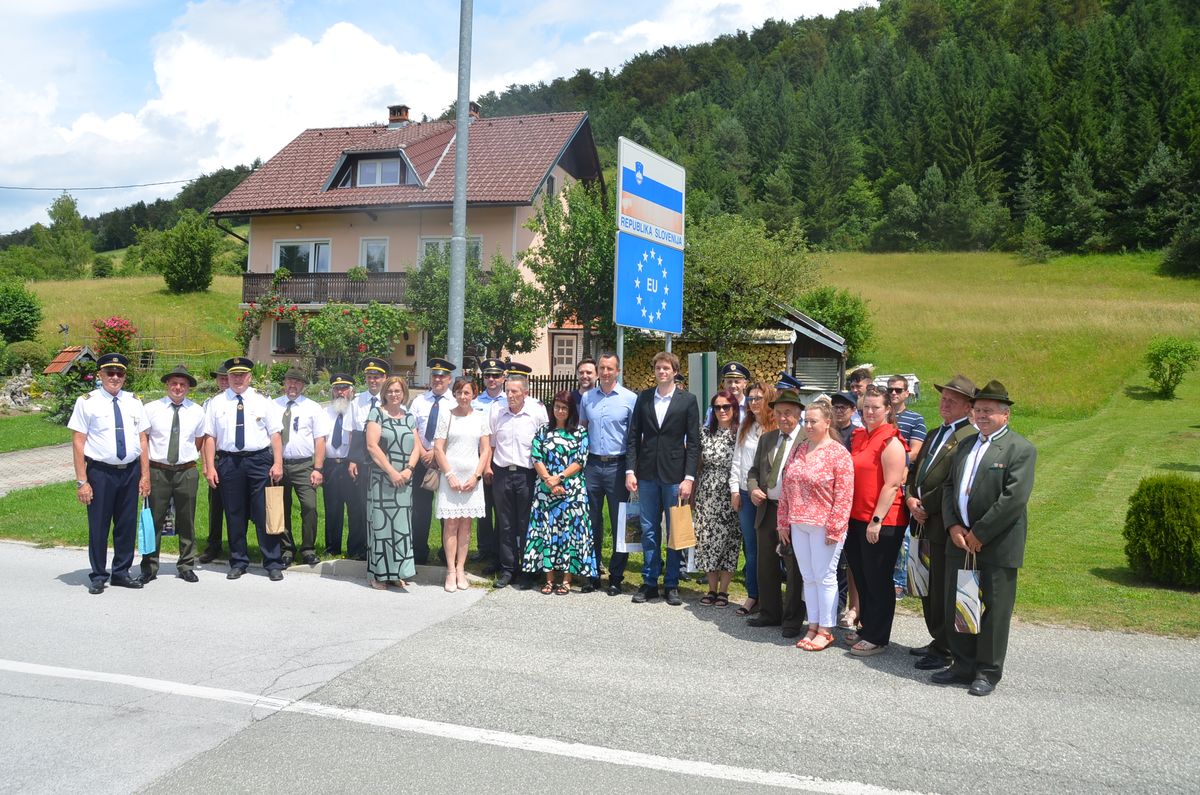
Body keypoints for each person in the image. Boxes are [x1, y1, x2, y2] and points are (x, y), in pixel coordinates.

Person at [933, 380, 1036, 697]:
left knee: (995, 610)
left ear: (1006, 415)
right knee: (963, 602)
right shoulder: (965, 445)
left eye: (989, 411)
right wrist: (953, 526)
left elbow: (1013, 499)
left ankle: (987, 671)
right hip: (961, 542)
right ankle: (963, 665)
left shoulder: (1020, 449)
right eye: (978, 410)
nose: (981, 415)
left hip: (997, 544)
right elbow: (949, 487)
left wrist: (980, 532)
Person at [905, 375, 977, 672]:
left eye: (952, 401)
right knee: (927, 585)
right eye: (943, 399)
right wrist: (910, 497)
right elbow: (916, 471)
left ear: (968, 407)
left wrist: (926, 505)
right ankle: (937, 638)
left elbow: (953, 482)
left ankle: (947, 646)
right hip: (921, 520)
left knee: (944, 588)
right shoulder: (935, 433)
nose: (944, 404)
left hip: (942, 523)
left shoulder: (969, 437)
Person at [69, 352, 151, 594]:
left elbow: (142, 440)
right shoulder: (87, 402)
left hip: (130, 472)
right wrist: (82, 481)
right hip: (100, 473)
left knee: (126, 524)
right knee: (99, 525)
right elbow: (78, 442)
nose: (115, 377)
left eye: (120, 373)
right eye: (110, 373)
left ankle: (121, 572)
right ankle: (98, 575)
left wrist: (145, 475)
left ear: (125, 376)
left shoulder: (134, 401)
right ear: (100, 375)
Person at [625, 351, 701, 607]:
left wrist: (689, 478)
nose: (662, 372)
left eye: (666, 368)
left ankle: (671, 583)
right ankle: (649, 581)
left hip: (674, 476)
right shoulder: (644, 397)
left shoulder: (687, 400)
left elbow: (694, 442)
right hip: (646, 474)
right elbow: (634, 436)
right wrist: (630, 470)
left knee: (675, 529)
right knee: (648, 529)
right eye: (658, 367)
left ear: (675, 371)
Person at [778, 400, 854, 651]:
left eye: (813, 421)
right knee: (808, 577)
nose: (808, 425)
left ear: (827, 422)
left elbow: (844, 494)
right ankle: (812, 625)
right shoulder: (799, 449)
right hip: (798, 523)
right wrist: (783, 522)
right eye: (806, 421)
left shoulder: (838, 453)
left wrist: (835, 527)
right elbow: (786, 487)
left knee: (825, 577)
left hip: (824, 525)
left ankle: (826, 629)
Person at [202, 356, 286, 581]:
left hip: (259, 460)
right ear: (228, 377)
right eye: (233, 375)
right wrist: (210, 467)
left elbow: (275, 434)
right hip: (229, 462)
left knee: (264, 512)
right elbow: (210, 437)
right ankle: (238, 561)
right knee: (234, 513)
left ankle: (272, 562)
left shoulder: (263, 401)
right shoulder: (216, 403)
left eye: (242, 375)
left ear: (250, 377)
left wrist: (278, 463)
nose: (237, 379)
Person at [844, 384, 909, 655]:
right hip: (856, 517)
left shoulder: (891, 440)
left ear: (887, 409)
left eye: (876, 407)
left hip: (882, 520)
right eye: (866, 407)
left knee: (878, 578)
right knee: (862, 576)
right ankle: (867, 627)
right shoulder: (860, 436)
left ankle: (878, 637)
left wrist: (876, 520)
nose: (870, 412)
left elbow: (892, 484)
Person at [744, 390, 807, 637]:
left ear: (799, 414)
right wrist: (753, 488)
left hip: (794, 513)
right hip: (768, 509)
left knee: (794, 567)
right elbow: (753, 471)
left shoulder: (807, 439)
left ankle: (792, 619)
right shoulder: (767, 439)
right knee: (766, 563)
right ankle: (770, 612)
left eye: (788, 413)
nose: (783, 418)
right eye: (779, 413)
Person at [523, 391, 596, 594]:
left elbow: (580, 460)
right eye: (557, 407)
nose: (560, 411)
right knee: (546, 531)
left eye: (564, 408)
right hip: (545, 490)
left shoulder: (580, 432)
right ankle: (548, 579)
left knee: (568, 533)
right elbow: (536, 456)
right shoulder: (543, 430)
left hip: (571, 491)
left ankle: (566, 579)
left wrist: (559, 478)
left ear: (571, 410)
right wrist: (549, 480)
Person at [138, 364, 206, 584]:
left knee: (187, 520)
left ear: (188, 388)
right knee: (154, 520)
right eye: (174, 383)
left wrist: (184, 458)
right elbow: (144, 440)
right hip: (158, 471)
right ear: (167, 385)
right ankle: (149, 567)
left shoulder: (197, 411)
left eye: (183, 384)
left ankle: (186, 565)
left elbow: (198, 441)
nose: (178, 388)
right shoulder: (151, 409)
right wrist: (145, 474)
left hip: (186, 472)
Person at [578, 351, 638, 595]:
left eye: (609, 368)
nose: (604, 372)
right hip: (592, 466)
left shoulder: (630, 399)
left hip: (618, 466)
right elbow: (582, 430)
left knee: (620, 522)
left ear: (618, 371)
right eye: (601, 368)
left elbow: (634, 439)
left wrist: (632, 470)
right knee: (591, 522)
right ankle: (592, 574)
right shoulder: (587, 398)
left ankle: (616, 576)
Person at [487, 372, 549, 588]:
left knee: (526, 524)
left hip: (527, 474)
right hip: (502, 472)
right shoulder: (497, 411)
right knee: (505, 524)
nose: (510, 395)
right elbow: (491, 442)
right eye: (508, 391)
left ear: (526, 393)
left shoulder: (536, 412)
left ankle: (528, 569)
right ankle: (508, 569)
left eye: (515, 391)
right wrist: (488, 467)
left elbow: (544, 442)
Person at [433, 377, 492, 592]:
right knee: (451, 524)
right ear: (455, 394)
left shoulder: (480, 417)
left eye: (467, 392)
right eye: (459, 392)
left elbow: (485, 450)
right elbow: (438, 448)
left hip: (471, 478)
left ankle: (461, 569)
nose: (463, 397)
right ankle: (450, 570)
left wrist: (476, 476)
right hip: (451, 476)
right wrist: (449, 474)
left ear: (474, 393)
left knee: (466, 525)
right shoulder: (446, 415)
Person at [364, 376, 421, 589]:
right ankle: (378, 575)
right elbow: (372, 446)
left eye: (398, 391)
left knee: (400, 528)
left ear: (404, 393)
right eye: (390, 391)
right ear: (384, 393)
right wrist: (392, 472)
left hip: (405, 481)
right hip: (382, 480)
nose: (394, 394)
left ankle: (397, 572)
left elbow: (416, 447)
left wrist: (409, 470)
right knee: (381, 527)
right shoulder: (376, 414)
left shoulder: (409, 417)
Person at [729, 382, 777, 616]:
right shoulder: (745, 425)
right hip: (746, 493)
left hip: (769, 496)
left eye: (758, 398)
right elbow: (737, 460)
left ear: (769, 400)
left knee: (769, 548)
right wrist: (734, 490)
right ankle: (753, 595)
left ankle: (770, 598)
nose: (754, 402)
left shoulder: (776, 427)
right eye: (750, 399)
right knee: (751, 547)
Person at [275, 368, 329, 566]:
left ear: (303, 385)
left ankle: (308, 549)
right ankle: (286, 549)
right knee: (281, 508)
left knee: (310, 507)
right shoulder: (273, 406)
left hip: (304, 465)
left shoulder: (313, 408)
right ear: (284, 382)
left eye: (297, 382)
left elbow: (320, 439)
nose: (293, 385)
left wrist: (318, 468)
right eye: (290, 380)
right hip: (279, 465)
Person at [694, 390, 741, 608]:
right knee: (706, 539)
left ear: (734, 409)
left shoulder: (740, 433)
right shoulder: (704, 433)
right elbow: (698, 463)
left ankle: (724, 591)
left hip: (731, 492)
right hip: (706, 492)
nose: (721, 411)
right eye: (717, 407)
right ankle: (711, 589)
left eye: (726, 406)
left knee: (729, 541)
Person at [410, 357, 458, 565]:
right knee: (420, 509)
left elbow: (455, 434)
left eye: (442, 376)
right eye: (435, 376)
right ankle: (419, 552)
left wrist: (437, 454)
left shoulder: (455, 403)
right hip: (421, 461)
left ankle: (446, 554)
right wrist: (423, 452)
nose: (438, 379)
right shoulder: (419, 401)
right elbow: (412, 429)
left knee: (447, 510)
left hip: (445, 462)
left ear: (449, 379)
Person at [348, 357, 390, 560]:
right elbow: (353, 433)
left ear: (385, 378)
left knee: (382, 504)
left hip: (385, 459)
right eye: (370, 377)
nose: (373, 381)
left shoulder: (392, 400)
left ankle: (381, 545)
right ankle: (361, 547)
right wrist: (352, 460)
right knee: (361, 504)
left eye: (377, 377)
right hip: (363, 459)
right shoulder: (356, 402)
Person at [471, 357, 507, 570]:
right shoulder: (475, 403)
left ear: (503, 377)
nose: (492, 379)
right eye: (488, 376)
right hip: (479, 459)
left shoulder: (509, 400)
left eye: (496, 375)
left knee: (500, 507)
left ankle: (498, 549)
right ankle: (484, 547)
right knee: (483, 507)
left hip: (501, 460)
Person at [322, 373, 362, 558]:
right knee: (332, 508)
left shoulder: (356, 411)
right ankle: (332, 548)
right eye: (337, 389)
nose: (340, 392)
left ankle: (355, 549)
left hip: (350, 464)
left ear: (351, 391)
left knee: (355, 508)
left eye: (344, 388)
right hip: (330, 465)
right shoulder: (324, 413)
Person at [199, 364, 230, 564]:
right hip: (217, 458)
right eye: (221, 378)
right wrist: (206, 464)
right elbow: (205, 436)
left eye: (227, 378)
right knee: (216, 506)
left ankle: (238, 544)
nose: (224, 382)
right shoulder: (209, 403)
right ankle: (214, 545)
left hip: (237, 458)